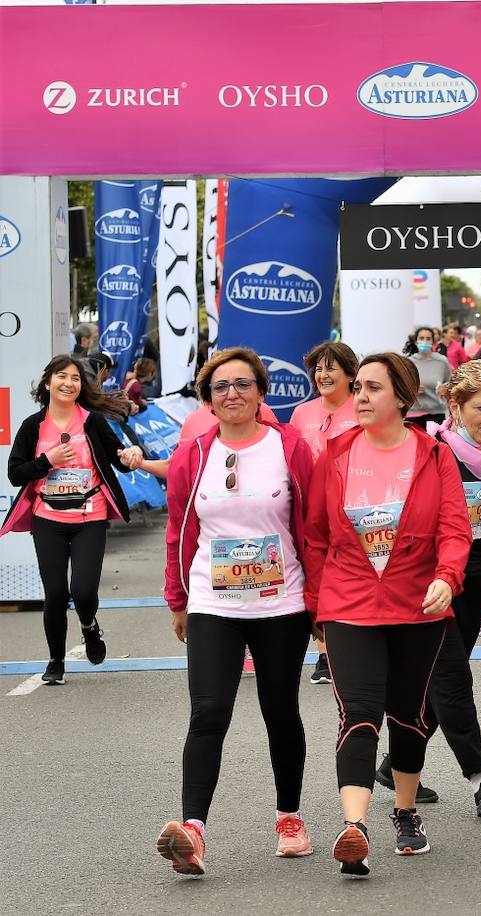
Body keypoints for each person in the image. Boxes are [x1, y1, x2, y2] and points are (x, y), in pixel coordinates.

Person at [304, 352, 472, 877]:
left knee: (406, 714)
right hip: (349, 604)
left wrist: (447, 576)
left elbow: (454, 526)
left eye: (373, 388)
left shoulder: (433, 455)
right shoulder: (333, 455)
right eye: (357, 387)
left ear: (403, 397)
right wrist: (316, 607)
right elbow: (314, 537)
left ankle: (404, 811)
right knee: (359, 711)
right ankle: (354, 828)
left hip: (416, 604)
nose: (360, 397)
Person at [156, 347, 317, 876]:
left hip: (282, 602)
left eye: (243, 384)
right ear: (207, 399)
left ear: (261, 392)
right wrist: (177, 599)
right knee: (208, 713)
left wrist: (320, 602)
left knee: (280, 711)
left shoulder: (289, 447)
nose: (232, 394)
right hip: (212, 601)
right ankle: (193, 832)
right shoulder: (193, 454)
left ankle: (289, 819)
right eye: (221, 387)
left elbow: (314, 528)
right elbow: (180, 529)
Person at [375, 361, 481, 817]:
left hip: (480, 577)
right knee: (452, 677)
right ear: (455, 406)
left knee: (436, 681)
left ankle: (396, 762)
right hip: (432, 581)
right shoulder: (431, 450)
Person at [2, 356, 146, 686]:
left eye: (76, 378)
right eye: (62, 376)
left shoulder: (92, 422)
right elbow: (15, 474)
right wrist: (47, 460)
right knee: (54, 593)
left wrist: (130, 455)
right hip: (47, 518)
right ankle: (56, 661)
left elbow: (120, 460)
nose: (69, 383)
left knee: (82, 591)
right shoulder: (33, 426)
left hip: (89, 517)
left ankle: (88, 626)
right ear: (47, 383)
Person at [288, 340, 361, 685]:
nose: (323, 374)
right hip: (309, 511)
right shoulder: (302, 413)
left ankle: (348, 646)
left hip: (352, 511)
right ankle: (323, 652)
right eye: (318, 368)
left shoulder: (363, 408)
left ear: (350, 374)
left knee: (346, 578)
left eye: (331, 367)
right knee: (316, 577)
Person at [407, 326, 450, 428]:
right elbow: (401, 387)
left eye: (428, 339)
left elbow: (450, 383)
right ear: (416, 341)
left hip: (437, 413)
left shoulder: (441, 361)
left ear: (433, 341)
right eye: (421, 338)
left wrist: (444, 388)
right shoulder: (409, 362)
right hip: (413, 413)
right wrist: (412, 390)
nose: (424, 341)